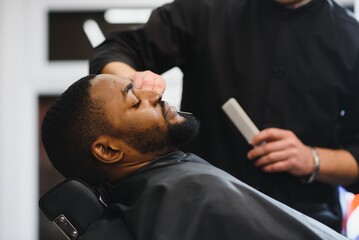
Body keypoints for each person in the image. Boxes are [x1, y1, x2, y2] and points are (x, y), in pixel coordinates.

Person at [89, 0, 359, 232]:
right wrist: (133, 85)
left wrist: (312, 159)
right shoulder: (206, 8)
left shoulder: (351, 38)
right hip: (201, 218)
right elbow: (114, 50)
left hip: (304, 221)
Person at [41, 73, 348, 240]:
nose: (154, 93)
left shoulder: (165, 193)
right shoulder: (187, 195)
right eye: (135, 102)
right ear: (109, 151)